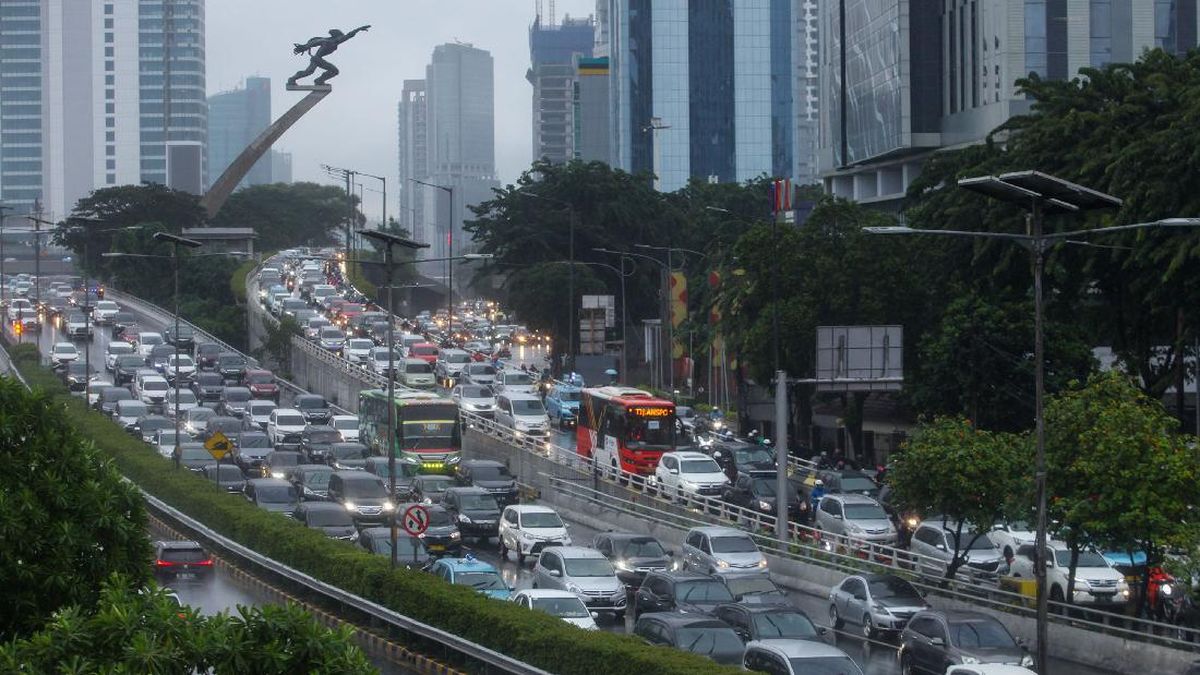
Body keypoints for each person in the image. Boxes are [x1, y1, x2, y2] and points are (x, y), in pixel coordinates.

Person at [288, 25, 370, 87]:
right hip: (317, 58)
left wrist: (306, 46)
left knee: (309, 71)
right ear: (338, 36)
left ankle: (295, 79)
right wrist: (359, 29)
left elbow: (313, 42)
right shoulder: (332, 41)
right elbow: (348, 35)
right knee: (334, 71)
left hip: (316, 58)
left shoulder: (328, 40)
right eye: (341, 36)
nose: (342, 38)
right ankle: (318, 81)